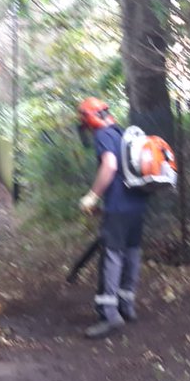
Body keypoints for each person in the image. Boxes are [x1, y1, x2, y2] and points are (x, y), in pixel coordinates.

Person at [77, 97, 149, 338]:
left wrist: (92, 195)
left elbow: (110, 165)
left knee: (112, 256)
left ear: (89, 119)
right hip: (137, 204)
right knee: (132, 253)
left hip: (118, 207)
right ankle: (126, 306)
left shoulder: (104, 135)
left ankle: (110, 315)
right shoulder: (122, 133)